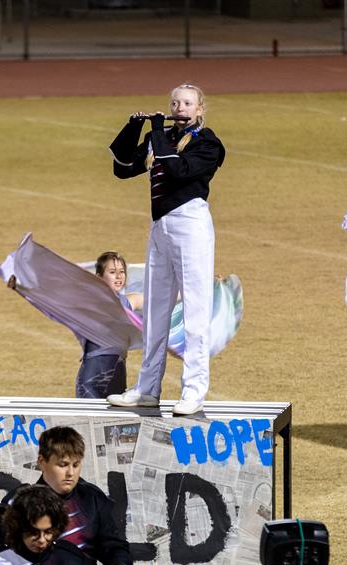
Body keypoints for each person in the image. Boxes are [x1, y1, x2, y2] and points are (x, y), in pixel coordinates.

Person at [106, 83, 226, 416]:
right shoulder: (163, 140)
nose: (180, 107)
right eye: (175, 102)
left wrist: (157, 133)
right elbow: (122, 167)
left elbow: (177, 170)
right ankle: (147, 388)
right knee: (156, 312)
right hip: (160, 227)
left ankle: (194, 390)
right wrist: (133, 128)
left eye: (187, 102)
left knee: (195, 313)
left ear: (200, 108)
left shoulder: (208, 143)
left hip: (191, 226)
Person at [0, 427, 131, 565]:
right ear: (42, 462)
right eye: (63, 465)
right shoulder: (17, 503)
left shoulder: (92, 498)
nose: (70, 473)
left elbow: (114, 547)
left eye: (76, 465)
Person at [8, 251, 143, 399]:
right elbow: (51, 303)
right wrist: (21, 288)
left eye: (122, 272)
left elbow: (160, 301)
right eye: (112, 272)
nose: (119, 276)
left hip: (118, 377)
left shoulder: (130, 301)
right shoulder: (87, 304)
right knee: (90, 421)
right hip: (91, 381)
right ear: (99, 277)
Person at [0, 484, 95, 565]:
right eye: (33, 532)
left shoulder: (71, 557)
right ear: (18, 528)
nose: (41, 540)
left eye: (48, 532)